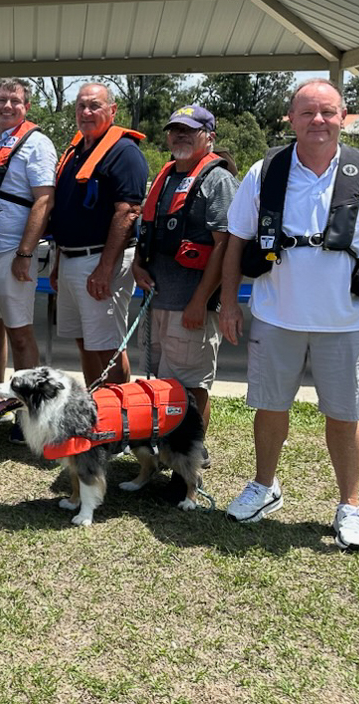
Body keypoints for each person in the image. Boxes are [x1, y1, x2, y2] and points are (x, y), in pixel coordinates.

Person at [220, 79, 359, 553]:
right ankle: (265, 486)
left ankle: (350, 505)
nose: (319, 122)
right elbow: (237, 243)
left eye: (328, 112)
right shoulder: (264, 172)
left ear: (344, 117)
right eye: (307, 113)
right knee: (269, 407)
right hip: (276, 316)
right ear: (290, 119)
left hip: (345, 322)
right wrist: (228, 303)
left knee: (344, 416)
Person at [132, 105, 237, 455]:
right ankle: (169, 450)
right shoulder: (166, 176)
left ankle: (192, 455)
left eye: (190, 130)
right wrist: (138, 265)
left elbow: (225, 245)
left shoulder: (218, 180)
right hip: (157, 299)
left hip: (191, 304)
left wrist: (199, 300)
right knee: (163, 383)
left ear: (209, 137)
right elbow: (148, 231)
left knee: (190, 386)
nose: (180, 135)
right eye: (175, 129)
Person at [0, 78, 55, 435]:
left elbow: (44, 199)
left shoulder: (37, 144)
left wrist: (25, 252)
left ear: (26, 107)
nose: (7, 106)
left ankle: (30, 412)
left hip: (13, 251)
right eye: (2, 99)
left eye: (15, 101)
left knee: (20, 333)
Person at [49, 83, 148, 386]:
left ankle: (121, 423)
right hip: (70, 259)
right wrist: (58, 263)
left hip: (101, 261)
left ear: (112, 110)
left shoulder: (123, 151)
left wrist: (105, 268)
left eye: (94, 106)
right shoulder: (77, 149)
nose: (86, 112)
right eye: (81, 106)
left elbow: (128, 211)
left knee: (107, 347)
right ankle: (98, 410)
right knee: (84, 342)